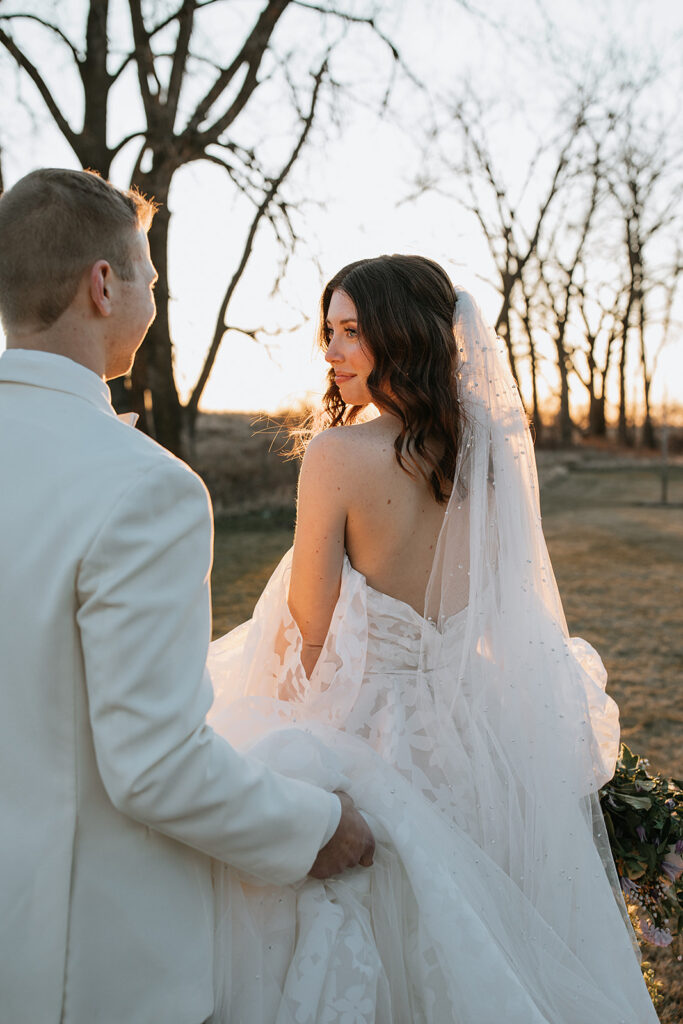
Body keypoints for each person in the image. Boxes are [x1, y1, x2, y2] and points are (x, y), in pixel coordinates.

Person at [206, 255, 659, 1022]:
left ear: (399, 335)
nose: (331, 351)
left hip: (365, 723)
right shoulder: (485, 451)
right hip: (474, 728)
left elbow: (308, 627)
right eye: (328, 332)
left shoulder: (337, 456)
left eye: (351, 331)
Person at [0, 168, 374, 1024]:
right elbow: (155, 767)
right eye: (150, 280)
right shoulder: (144, 489)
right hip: (83, 970)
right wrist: (316, 828)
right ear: (103, 285)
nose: (153, 300)